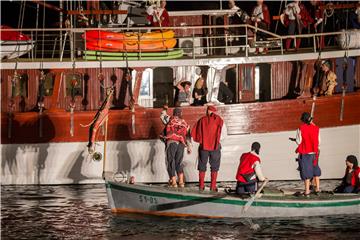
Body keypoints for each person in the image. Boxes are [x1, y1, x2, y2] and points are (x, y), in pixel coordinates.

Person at [191, 105, 226, 191]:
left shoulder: (202, 120)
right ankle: (213, 186)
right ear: (214, 112)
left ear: (208, 111)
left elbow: (195, 133)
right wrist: (217, 140)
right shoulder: (220, 120)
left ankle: (201, 185)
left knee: (202, 165)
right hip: (215, 147)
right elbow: (224, 135)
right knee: (215, 166)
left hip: (204, 147)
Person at [163, 107, 192, 188]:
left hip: (172, 142)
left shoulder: (169, 119)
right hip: (181, 143)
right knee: (178, 163)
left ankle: (174, 182)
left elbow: (162, 116)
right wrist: (189, 147)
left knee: (170, 161)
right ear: (181, 114)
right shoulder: (184, 123)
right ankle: (181, 182)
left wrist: (164, 109)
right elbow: (188, 136)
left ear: (174, 113)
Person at [295, 112, 321, 196]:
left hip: (306, 153)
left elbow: (299, 141)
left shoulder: (301, 128)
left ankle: (307, 191)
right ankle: (317, 189)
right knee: (315, 170)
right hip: (315, 153)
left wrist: (295, 140)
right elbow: (319, 142)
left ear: (303, 120)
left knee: (306, 173)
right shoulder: (316, 128)